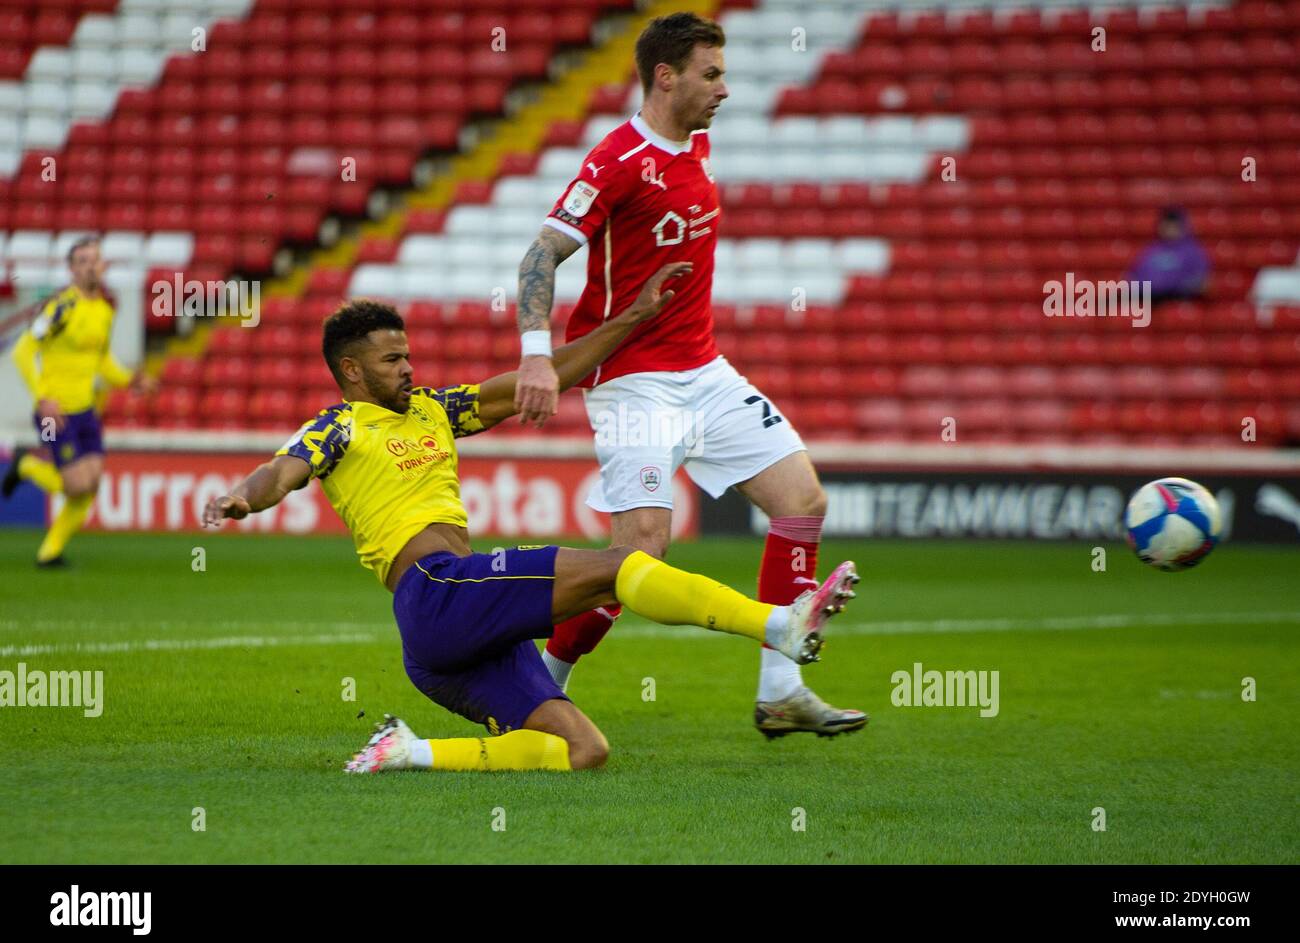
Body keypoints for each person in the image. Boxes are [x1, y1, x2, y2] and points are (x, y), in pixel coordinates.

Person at [201, 265, 860, 773]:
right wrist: (241, 497)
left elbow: (541, 378)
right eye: (391, 360)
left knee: (583, 751)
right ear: (350, 370)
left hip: (444, 645)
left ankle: (408, 750)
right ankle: (780, 624)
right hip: (437, 593)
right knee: (622, 566)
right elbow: (280, 471)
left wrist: (633, 317)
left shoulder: (436, 408)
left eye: (407, 355)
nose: (408, 367)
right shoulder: (340, 425)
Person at [512, 12, 866, 738]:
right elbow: (540, 255)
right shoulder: (614, 160)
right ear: (665, 76)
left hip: (704, 369)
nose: (725, 90)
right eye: (711, 74)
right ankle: (540, 688)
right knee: (639, 558)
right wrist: (535, 354)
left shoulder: (698, 142)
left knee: (802, 499)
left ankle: (781, 689)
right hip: (633, 380)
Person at [2, 236, 155, 566]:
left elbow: (102, 361)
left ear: (103, 266)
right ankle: (25, 465)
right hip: (52, 413)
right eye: (82, 261)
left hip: (85, 411)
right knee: (75, 485)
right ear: (71, 270)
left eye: (94, 260)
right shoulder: (61, 307)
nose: (89, 266)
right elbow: (22, 351)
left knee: (93, 482)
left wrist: (131, 380)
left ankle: (50, 552)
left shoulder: (103, 311)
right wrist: (43, 398)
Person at [1127, 207, 1211, 304]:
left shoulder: (1193, 252)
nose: (1169, 229)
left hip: (1179, 300)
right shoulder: (1149, 250)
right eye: (1167, 225)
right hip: (1148, 300)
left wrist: (1175, 286)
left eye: (1174, 226)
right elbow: (1132, 277)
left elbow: (1203, 283)